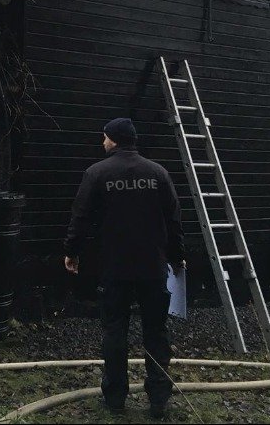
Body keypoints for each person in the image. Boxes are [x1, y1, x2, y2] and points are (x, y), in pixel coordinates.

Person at [64, 117, 185, 420]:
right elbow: (173, 221)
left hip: (114, 268)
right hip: (152, 267)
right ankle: (158, 399)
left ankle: (116, 398)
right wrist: (176, 257)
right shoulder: (158, 173)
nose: (102, 142)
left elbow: (80, 216)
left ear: (114, 140)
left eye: (104, 137)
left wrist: (72, 252)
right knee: (155, 332)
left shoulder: (97, 173)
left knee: (114, 331)